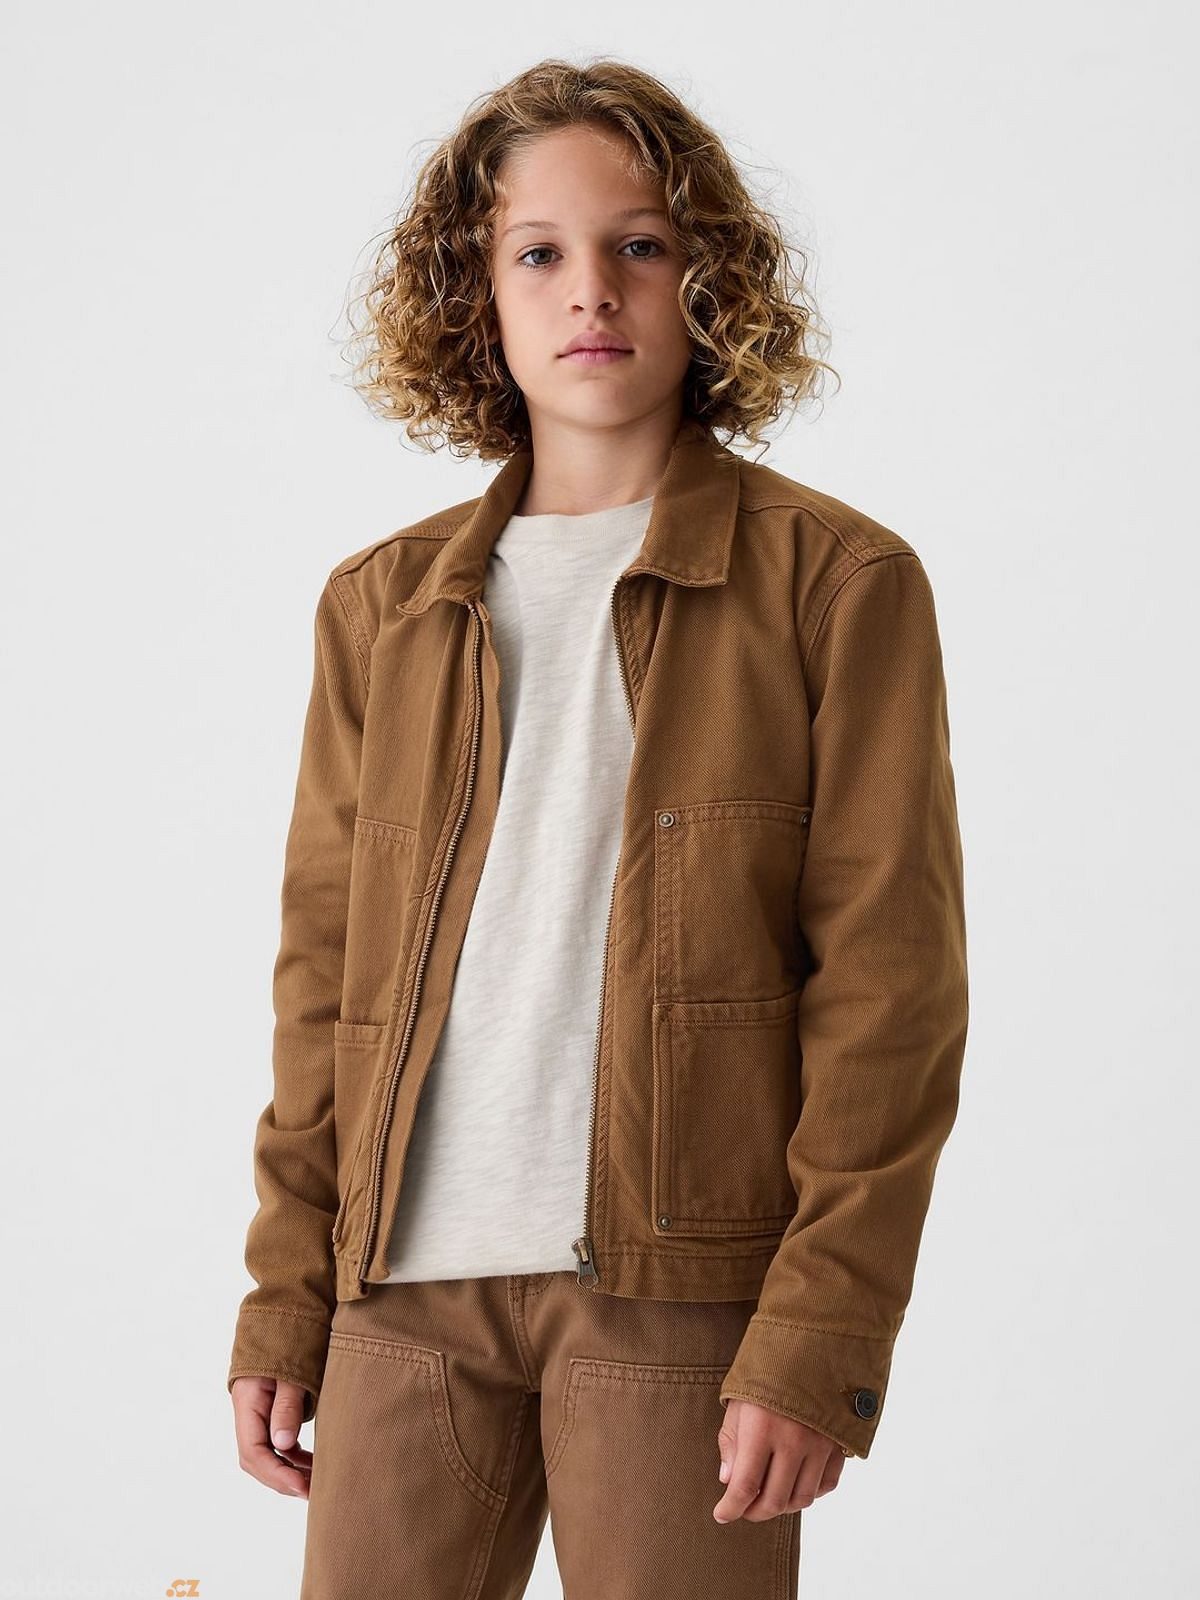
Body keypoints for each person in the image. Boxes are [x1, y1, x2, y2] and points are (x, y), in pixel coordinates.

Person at [227, 56, 969, 1599]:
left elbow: (890, 993)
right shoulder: (383, 605)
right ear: (474, 295)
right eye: (538, 252)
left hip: (677, 1296)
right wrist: (286, 1296)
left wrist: (821, 1330)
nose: (592, 291)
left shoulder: (836, 586)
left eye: (640, 243)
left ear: (710, 280)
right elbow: (323, 984)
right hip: (400, 1298)